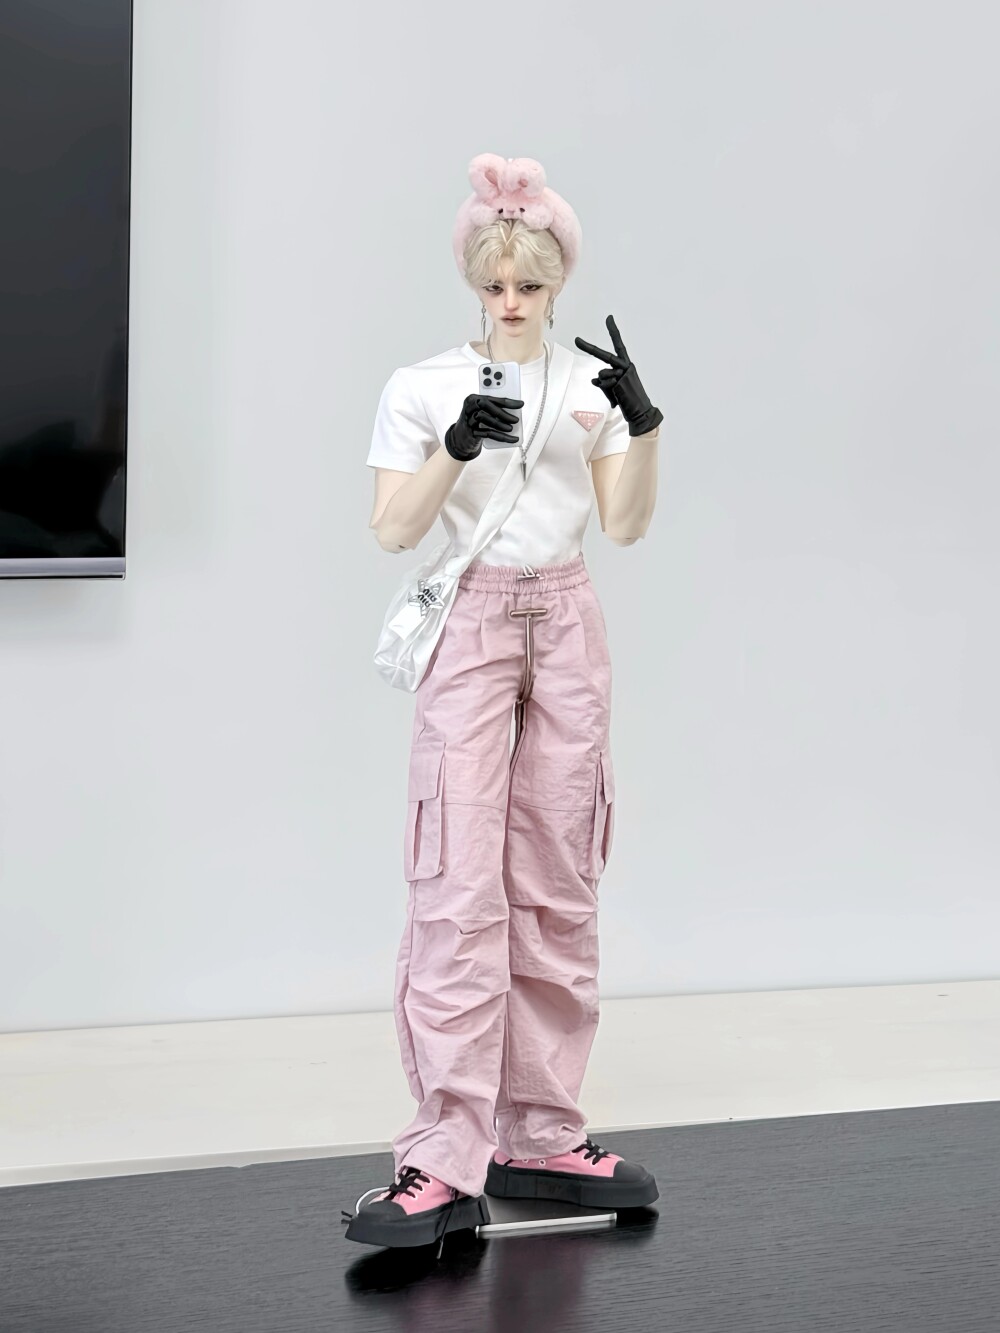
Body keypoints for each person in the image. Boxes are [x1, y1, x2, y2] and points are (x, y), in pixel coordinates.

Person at [346, 154, 664, 1250]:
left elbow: (624, 525)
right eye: (495, 283)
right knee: (456, 890)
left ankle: (540, 1132)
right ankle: (443, 1157)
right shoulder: (424, 384)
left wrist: (644, 425)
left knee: (559, 879)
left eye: (530, 282)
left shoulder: (590, 383)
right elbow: (393, 529)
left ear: (558, 278)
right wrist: (454, 448)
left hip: (567, 616)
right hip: (473, 618)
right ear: (474, 280)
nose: (513, 300)